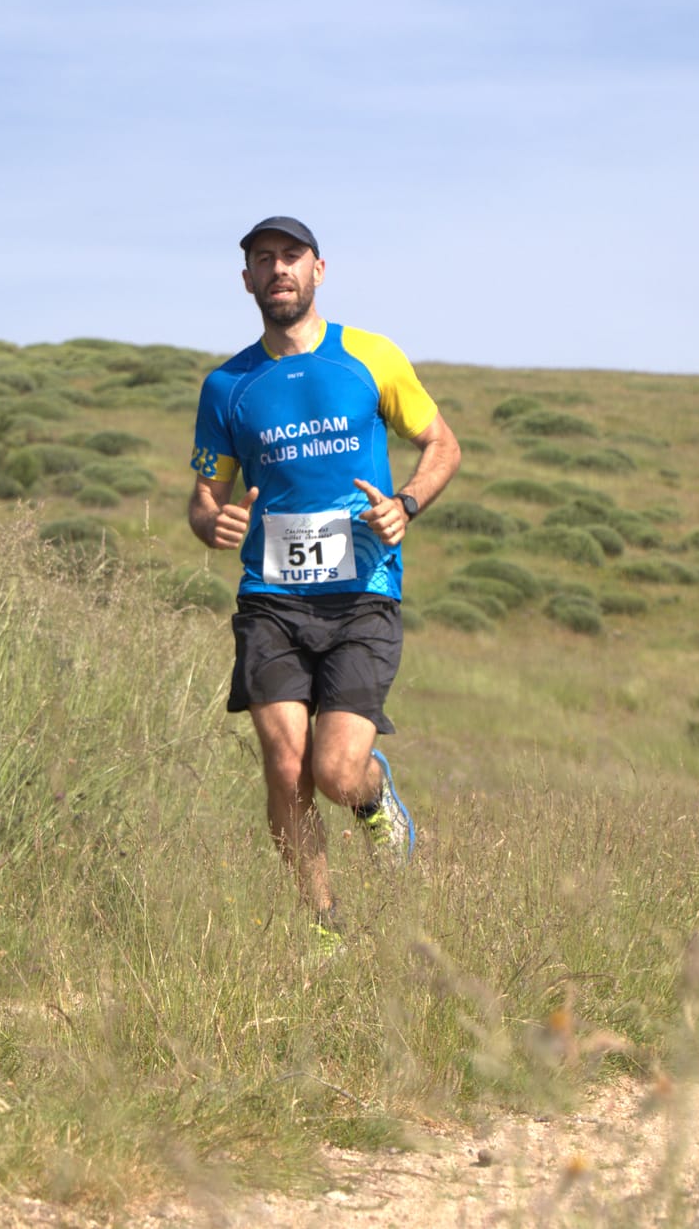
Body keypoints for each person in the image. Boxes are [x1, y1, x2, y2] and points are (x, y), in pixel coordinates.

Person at [188, 216, 461, 947]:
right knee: (285, 765)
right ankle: (324, 928)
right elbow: (206, 496)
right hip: (270, 599)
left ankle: (376, 801)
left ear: (319, 270)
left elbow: (442, 442)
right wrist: (210, 520)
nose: (278, 270)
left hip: (363, 589)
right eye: (262, 260)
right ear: (246, 280)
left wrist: (406, 504)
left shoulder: (370, 357)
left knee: (335, 771)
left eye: (290, 257)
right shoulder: (227, 387)